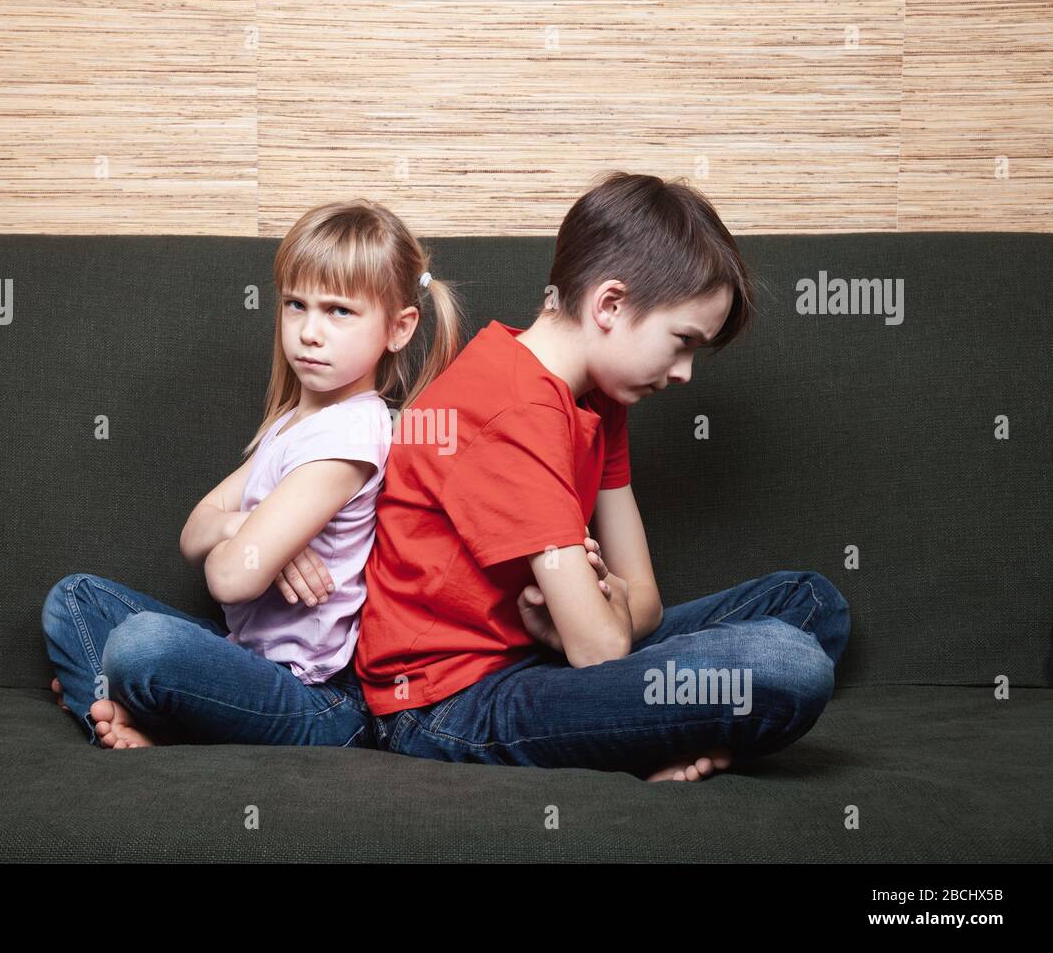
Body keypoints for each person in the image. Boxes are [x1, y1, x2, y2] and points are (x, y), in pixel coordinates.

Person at [354, 171, 851, 780]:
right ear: (609, 305)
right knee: (785, 664)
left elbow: (642, 601)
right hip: (448, 703)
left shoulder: (598, 397)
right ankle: (672, 734)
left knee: (812, 604)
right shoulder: (511, 408)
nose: (685, 373)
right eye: (682, 341)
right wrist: (593, 625)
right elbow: (601, 649)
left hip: (547, 655)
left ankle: (670, 733)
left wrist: (597, 614)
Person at [41, 198, 466, 748]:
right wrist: (246, 529)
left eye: (339, 311)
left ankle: (121, 716)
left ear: (399, 328)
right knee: (73, 598)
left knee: (144, 644)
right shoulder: (295, 421)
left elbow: (227, 578)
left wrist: (248, 537)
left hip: (318, 699)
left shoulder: (350, 434)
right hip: (247, 660)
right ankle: (127, 718)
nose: (310, 331)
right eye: (296, 305)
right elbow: (195, 531)